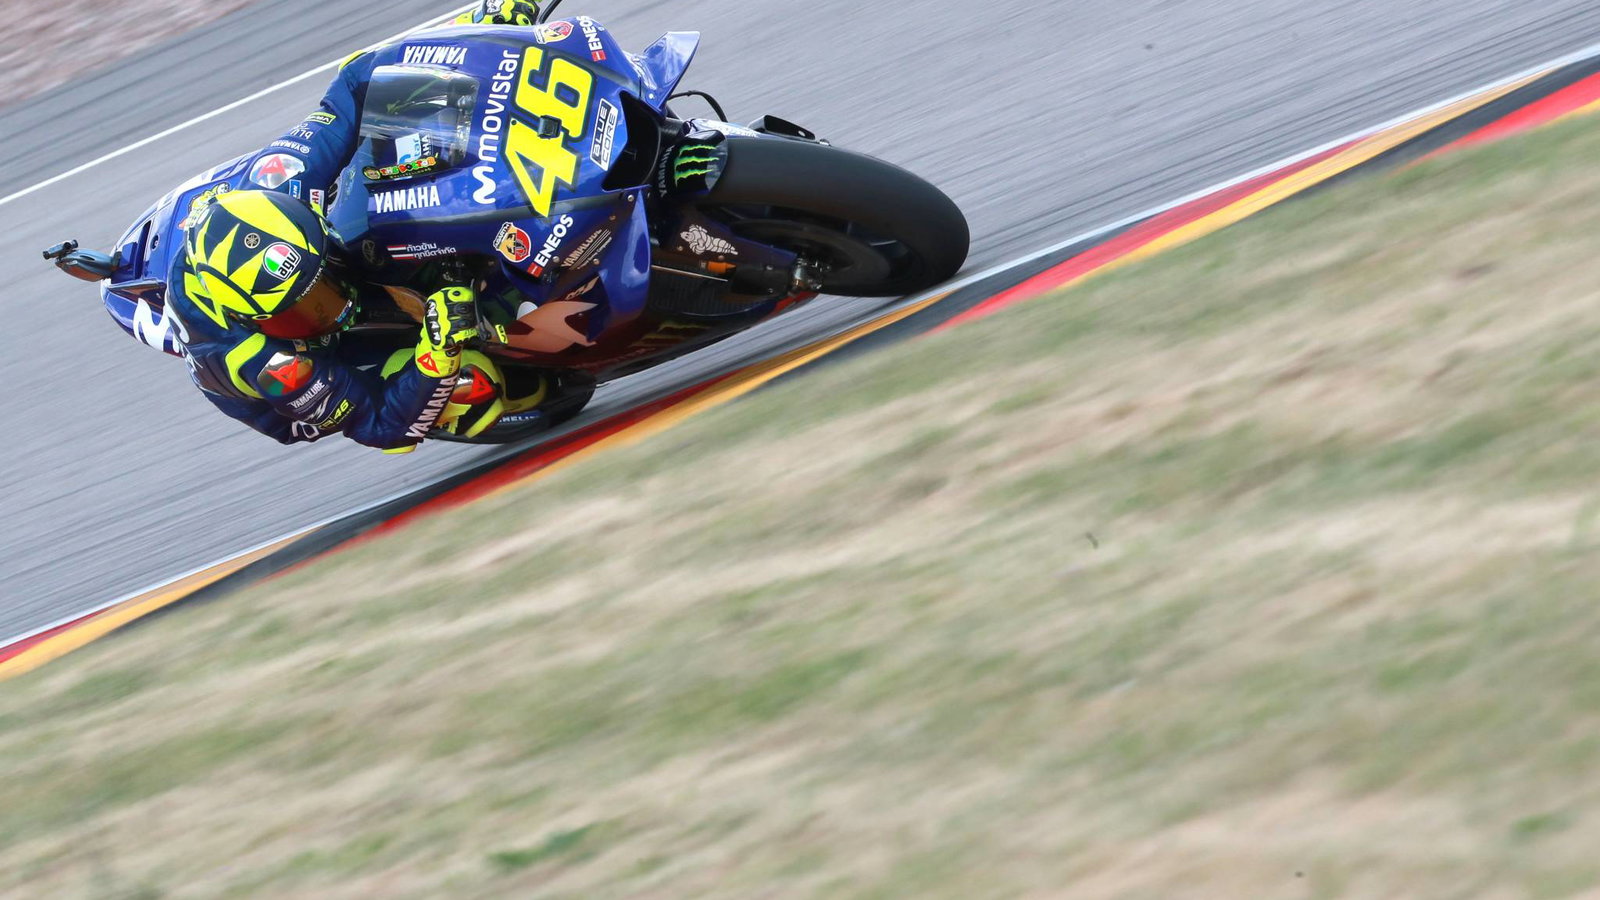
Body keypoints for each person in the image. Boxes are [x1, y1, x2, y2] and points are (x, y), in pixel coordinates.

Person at [165, 0, 545, 454]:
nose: (337, 307)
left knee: (405, 129)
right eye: (304, 311)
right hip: (324, 370)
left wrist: (478, 29)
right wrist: (435, 353)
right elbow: (382, 429)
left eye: (324, 287)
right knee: (471, 390)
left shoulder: (287, 180)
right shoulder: (273, 366)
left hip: (305, 242)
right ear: (257, 321)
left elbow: (358, 78)